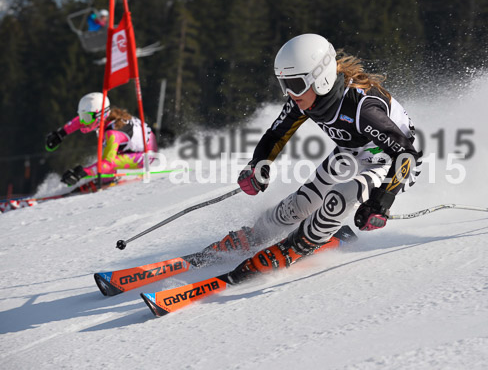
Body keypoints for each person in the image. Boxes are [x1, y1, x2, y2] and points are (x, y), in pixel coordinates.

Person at [199, 33, 422, 284]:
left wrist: (381, 201)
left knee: (340, 198)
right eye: (284, 85)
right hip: (350, 153)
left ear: (321, 78)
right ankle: (257, 233)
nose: (289, 93)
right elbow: (276, 134)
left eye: (295, 84)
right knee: (301, 204)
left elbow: (407, 156)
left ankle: (298, 246)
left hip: (390, 163)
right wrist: (258, 166)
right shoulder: (304, 100)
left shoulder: (362, 108)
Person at [45, 92, 158, 186]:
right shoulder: (105, 116)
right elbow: (81, 120)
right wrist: (60, 133)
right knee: (106, 154)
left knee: (109, 159)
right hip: (139, 145)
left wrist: (82, 173)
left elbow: (109, 162)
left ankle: (108, 181)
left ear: (101, 116)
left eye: (86, 118)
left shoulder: (113, 134)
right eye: (81, 116)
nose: (83, 122)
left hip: (147, 156)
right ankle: (107, 178)